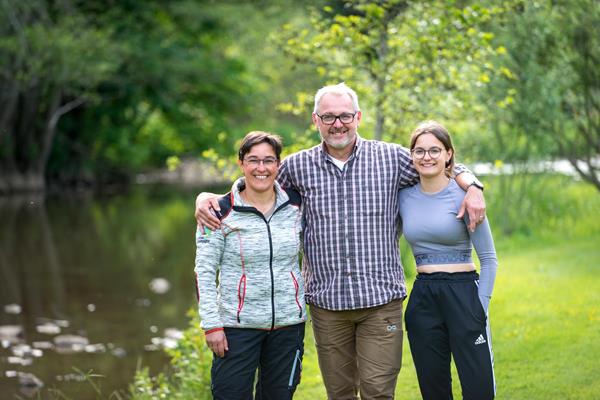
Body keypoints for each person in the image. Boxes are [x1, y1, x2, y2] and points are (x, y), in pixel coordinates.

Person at [195, 83, 486, 400]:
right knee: (340, 393)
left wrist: (473, 186)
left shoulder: (391, 158)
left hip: (380, 301)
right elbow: (258, 180)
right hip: (327, 305)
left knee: (377, 392)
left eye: (345, 115)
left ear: (358, 116)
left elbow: (437, 160)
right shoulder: (297, 167)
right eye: (329, 116)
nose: (338, 123)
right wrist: (210, 197)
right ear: (315, 120)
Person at [194, 131, 305, 400]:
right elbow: (204, 271)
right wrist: (212, 326)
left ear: (279, 164)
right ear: (241, 163)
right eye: (253, 160)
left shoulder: (297, 206)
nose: (261, 168)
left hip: (288, 325)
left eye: (269, 160)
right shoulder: (218, 211)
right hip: (236, 328)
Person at [399, 120, 497, 400]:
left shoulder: (467, 196)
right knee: (434, 389)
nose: (426, 157)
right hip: (423, 296)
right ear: (412, 155)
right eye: (419, 151)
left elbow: (489, 259)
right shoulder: (403, 196)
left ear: (448, 154)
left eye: (434, 150)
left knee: (479, 389)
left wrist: (481, 305)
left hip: (464, 293)